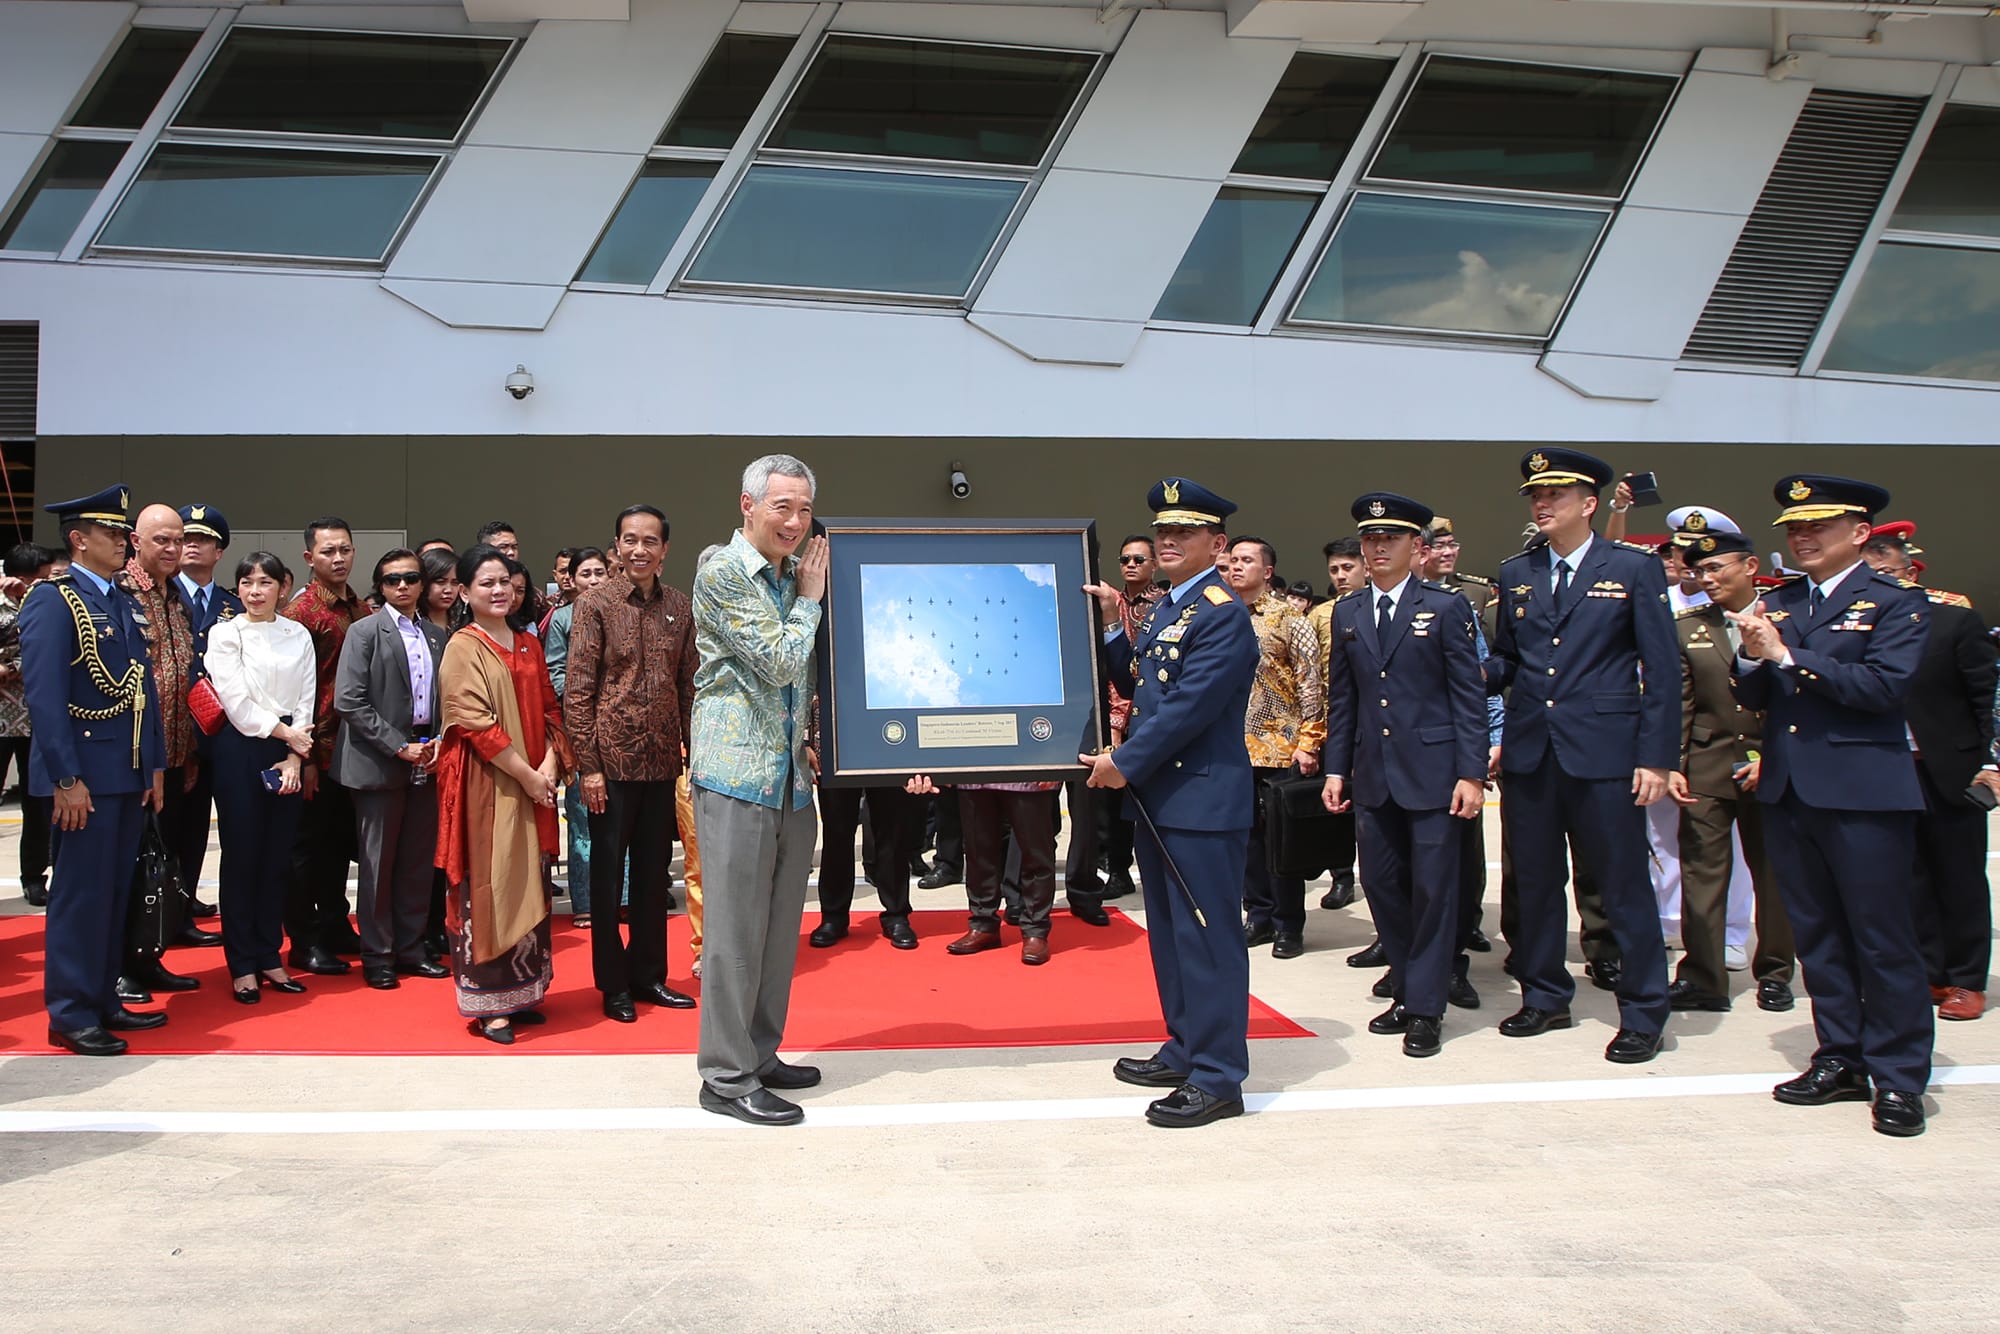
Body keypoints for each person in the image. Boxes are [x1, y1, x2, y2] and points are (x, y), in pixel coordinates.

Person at [1730, 474, 1933, 1136]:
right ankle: (1841, 1054)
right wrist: (1752, 657)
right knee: (1818, 935)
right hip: (1791, 791)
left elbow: (1883, 687)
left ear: (1859, 533)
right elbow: (1759, 698)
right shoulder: (1783, 601)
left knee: (1882, 937)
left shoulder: (1895, 603)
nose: (1804, 537)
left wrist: (1785, 656)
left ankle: (1899, 1076)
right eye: (1795, 528)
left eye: (1819, 526)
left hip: (1863, 794)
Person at [1486, 448, 1677, 1065]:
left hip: (1606, 754)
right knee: (1535, 883)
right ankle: (1545, 995)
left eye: (1556, 496)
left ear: (1589, 504)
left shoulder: (1632, 568)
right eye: (1536, 497)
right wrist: (1454, 668)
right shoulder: (1517, 572)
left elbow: (1663, 668)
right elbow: (1508, 662)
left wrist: (1656, 757)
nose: (1542, 504)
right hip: (1533, 753)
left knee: (1622, 887)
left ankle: (1645, 1011)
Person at [1083, 477, 1260, 1128]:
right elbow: (1146, 682)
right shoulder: (1166, 608)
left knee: (1208, 941)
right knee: (1173, 938)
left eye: (1182, 531)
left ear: (1216, 544)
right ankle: (1186, 1047)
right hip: (1165, 800)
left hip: (1202, 800)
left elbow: (1186, 710)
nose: (1166, 539)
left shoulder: (1221, 613)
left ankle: (1218, 1077)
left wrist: (1122, 763)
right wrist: (1110, 629)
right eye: (1162, 530)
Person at [1321, 493, 1487, 1058]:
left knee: (1435, 891)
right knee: (1383, 883)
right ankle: (1411, 978)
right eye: (1370, 540)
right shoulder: (1347, 611)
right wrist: (1335, 767)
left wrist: (1471, 773)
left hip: (1436, 772)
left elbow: (1469, 697)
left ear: (1416, 547)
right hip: (1373, 772)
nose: (1378, 548)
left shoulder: (1444, 607)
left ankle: (1424, 1007)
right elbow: (1343, 699)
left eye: (1389, 539)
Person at [689, 454, 827, 1126]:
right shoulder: (724, 571)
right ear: (747, 505)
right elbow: (777, 661)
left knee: (776, 934)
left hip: (789, 781)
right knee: (734, 934)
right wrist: (809, 604)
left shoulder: (786, 576)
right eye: (782, 507)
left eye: (804, 509)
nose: (795, 521)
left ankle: (760, 1053)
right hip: (736, 774)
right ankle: (725, 1073)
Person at [20, 486, 168, 1054]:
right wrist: (64, 778)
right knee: (81, 896)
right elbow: (46, 697)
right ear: (79, 541)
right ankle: (71, 1010)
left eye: (123, 532)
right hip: (83, 777)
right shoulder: (55, 601)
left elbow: (142, 692)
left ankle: (103, 997)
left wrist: (151, 766)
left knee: (113, 892)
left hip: (125, 773)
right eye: (111, 533)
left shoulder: (121, 600)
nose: (122, 542)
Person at [565, 505, 698, 1021]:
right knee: (606, 877)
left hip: (661, 761)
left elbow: (689, 684)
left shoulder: (679, 607)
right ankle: (613, 984)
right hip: (610, 766)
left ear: (665, 550)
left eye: (650, 541)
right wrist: (589, 767)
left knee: (650, 876)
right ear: (616, 546)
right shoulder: (595, 605)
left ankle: (649, 976)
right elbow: (578, 691)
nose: (639, 549)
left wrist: (691, 749)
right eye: (629, 540)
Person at [1860, 525, 1995, 1023]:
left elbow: (1987, 700)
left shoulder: (1954, 621)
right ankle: (1927, 970)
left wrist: (1990, 763)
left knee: (1959, 877)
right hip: (1886, 767)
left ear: (1911, 570)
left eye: (1890, 571)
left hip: (1949, 769)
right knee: (1906, 877)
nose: (1882, 581)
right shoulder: (1861, 624)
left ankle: (1966, 979)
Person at [435, 544, 570, 1045]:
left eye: (506, 582)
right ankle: (490, 1005)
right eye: (486, 583)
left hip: (535, 780)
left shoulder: (528, 643)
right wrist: (528, 777)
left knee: (530, 878)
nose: (499, 590)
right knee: (486, 886)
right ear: (464, 592)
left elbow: (551, 711)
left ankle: (525, 992)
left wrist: (550, 765)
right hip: (486, 786)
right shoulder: (462, 647)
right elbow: (474, 723)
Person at [1664, 529, 1797, 1015]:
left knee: (1775, 875)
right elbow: (1680, 703)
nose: (1707, 577)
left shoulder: (1787, 617)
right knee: (1701, 874)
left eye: (1717, 567)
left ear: (1749, 565)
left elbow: (1795, 696)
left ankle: (1777, 972)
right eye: (1699, 570)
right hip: (1708, 762)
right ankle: (1703, 976)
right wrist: (1673, 764)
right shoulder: (1687, 626)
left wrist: (1776, 761)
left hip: (1773, 766)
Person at [333, 549, 450, 991]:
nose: (402, 586)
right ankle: (378, 954)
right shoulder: (364, 632)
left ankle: (411, 947)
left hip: (428, 756)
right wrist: (397, 745)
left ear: (422, 583)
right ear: (379, 586)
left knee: (418, 861)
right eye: (391, 579)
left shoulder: (436, 636)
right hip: (378, 759)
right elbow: (349, 700)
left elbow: (444, 696)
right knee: (378, 865)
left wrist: (439, 738)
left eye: (410, 578)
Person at [206, 551, 316, 1004]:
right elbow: (234, 699)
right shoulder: (225, 633)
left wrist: (295, 753)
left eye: (265, 583)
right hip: (241, 748)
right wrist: (286, 732)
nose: (256, 591)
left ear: (282, 587)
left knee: (276, 859)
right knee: (243, 856)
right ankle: (242, 963)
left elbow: (307, 695)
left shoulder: (298, 633)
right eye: (247, 583)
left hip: (289, 749)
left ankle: (271, 954)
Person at [117, 503, 215, 1000]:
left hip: (180, 752)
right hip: (137, 760)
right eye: (162, 541)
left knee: (167, 857)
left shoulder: (175, 593)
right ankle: (122, 967)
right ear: (136, 541)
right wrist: (149, 762)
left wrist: (191, 751)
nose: (174, 550)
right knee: (132, 867)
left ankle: (154, 951)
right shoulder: (120, 591)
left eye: (178, 541)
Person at [1223, 535, 1324, 959]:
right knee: (1244, 839)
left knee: (1282, 841)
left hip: (1280, 747)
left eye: (1247, 561)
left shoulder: (1289, 619)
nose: (1236, 567)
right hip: (1230, 748)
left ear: (1267, 571)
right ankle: (1258, 915)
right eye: (1232, 561)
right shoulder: (1220, 614)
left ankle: (1288, 924)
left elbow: (1311, 683)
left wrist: (1309, 742)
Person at [283, 516, 367, 975]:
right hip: (316, 752)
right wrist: (305, 758)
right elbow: (298, 692)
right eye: (328, 551)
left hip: (351, 753)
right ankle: (304, 939)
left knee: (337, 847)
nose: (338, 558)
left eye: (345, 550)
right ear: (309, 557)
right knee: (306, 851)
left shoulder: (358, 607)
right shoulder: (301, 614)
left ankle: (336, 924)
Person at [174, 503, 241, 922]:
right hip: (177, 735)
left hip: (223, 735)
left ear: (220, 552)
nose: (193, 545)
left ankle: (190, 896)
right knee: (177, 824)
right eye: (187, 538)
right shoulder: (162, 596)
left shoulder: (231, 604)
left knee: (211, 827)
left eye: (204, 540)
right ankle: (172, 904)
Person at [544, 545, 610, 927]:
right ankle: (584, 900)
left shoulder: (623, 611)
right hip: (580, 726)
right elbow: (555, 672)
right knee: (584, 814)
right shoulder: (561, 620)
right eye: (585, 574)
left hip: (622, 730)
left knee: (621, 817)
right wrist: (588, 696)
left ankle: (621, 897)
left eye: (599, 572)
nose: (593, 580)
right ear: (570, 579)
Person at [1308, 537, 1367, 913]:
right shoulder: (1321, 615)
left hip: (1375, 721)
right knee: (1338, 805)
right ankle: (1342, 875)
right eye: (1334, 570)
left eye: (1348, 568)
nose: (1341, 576)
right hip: (1336, 722)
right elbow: (1311, 676)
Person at [0, 542, 51, 907]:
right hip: (2, 720)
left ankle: (34, 876)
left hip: (36, 720)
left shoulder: (45, 604)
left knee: (38, 804)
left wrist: (12, 668)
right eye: (41, 578)